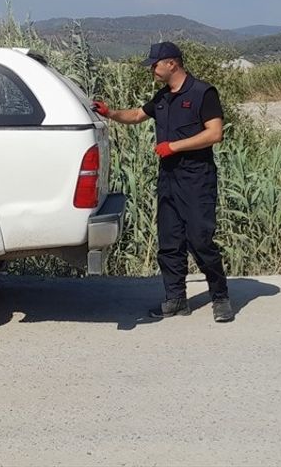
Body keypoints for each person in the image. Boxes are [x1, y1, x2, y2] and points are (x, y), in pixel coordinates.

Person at [92, 41, 233, 323]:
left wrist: (175, 146)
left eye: (155, 64)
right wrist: (109, 113)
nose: (152, 70)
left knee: (200, 240)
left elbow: (214, 133)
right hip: (168, 178)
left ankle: (220, 296)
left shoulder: (203, 93)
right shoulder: (163, 97)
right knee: (169, 242)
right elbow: (136, 115)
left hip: (197, 178)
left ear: (172, 63)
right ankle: (176, 299)